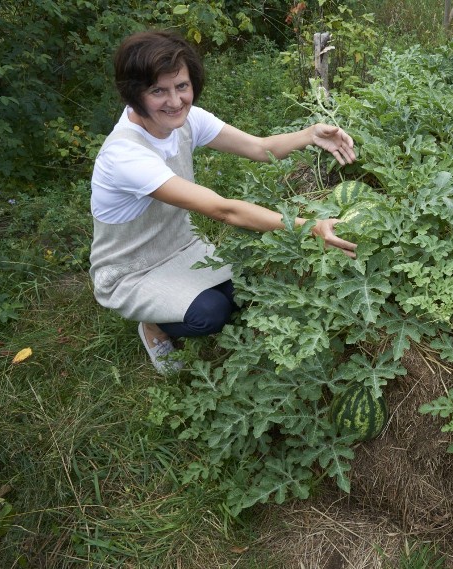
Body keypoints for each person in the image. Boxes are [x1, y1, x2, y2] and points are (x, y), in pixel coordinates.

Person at [89, 30, 357, 374]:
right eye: (158, 91)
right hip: (132, 270)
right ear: (134, 94)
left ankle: (175, 305)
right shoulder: (125, 155)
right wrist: (310, 228)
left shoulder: (186, 120)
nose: (175, 101)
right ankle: (151, 325)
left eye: (181, 86)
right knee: (211, 314)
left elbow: (259, 148)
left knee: (245, 292)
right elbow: (223, 209)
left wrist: (310, 134)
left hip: (181, 247)